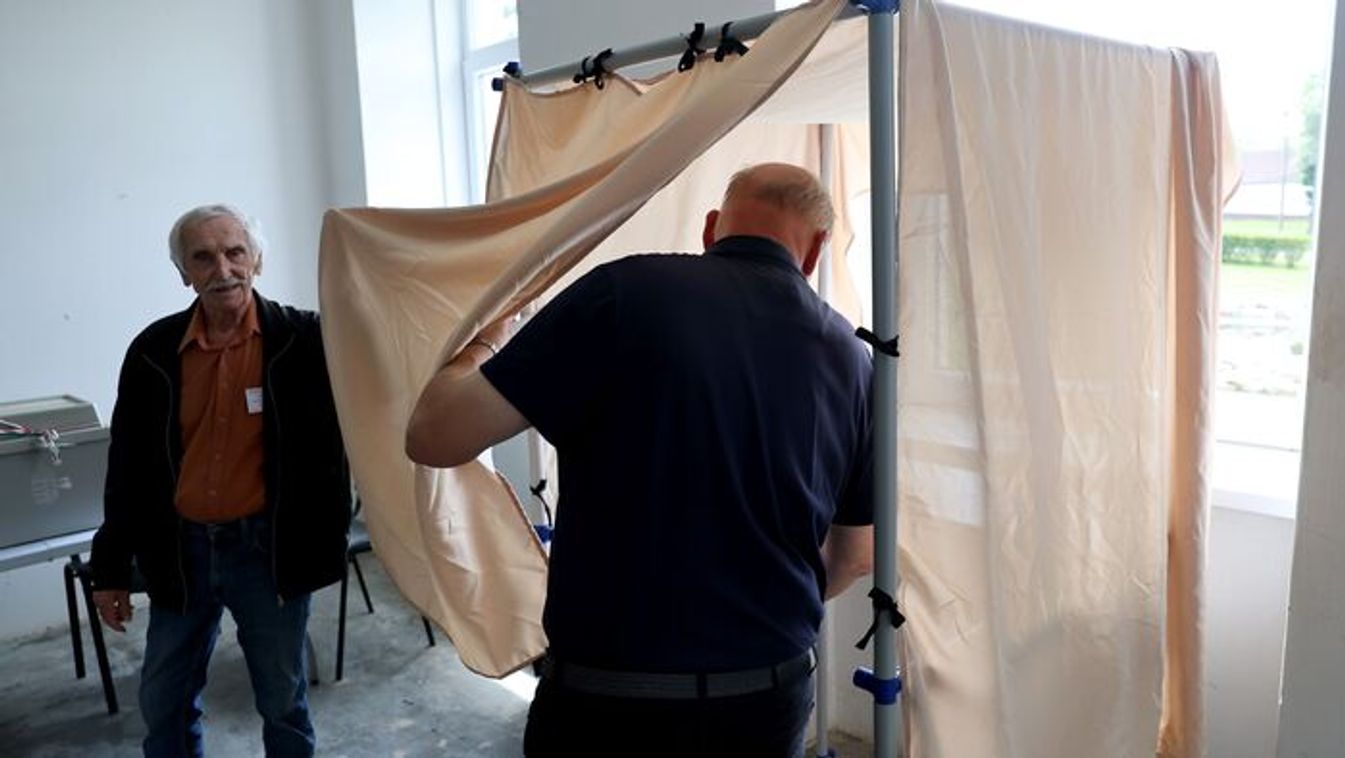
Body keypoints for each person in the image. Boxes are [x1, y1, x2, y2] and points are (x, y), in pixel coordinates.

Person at [406, 163, 875, 757]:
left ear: (711, 228)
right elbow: (857, 557)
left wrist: (484, 340)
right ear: (816, 250)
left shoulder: (623, 294)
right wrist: (760, 610)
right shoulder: (852, 359)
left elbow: (434, 437)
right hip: (765, 696)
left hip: (611, 698)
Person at [89, 204, 351, 757]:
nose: (223, 269)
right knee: (163, 701)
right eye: (203, 257)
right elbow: (127, 465)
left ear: (257, 260)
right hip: (180, 552)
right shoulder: (153, 351)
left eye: (235, 253)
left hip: (267, 553)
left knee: (282, 702)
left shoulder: (307, 341)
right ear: (184, 272)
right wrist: (109, 568)